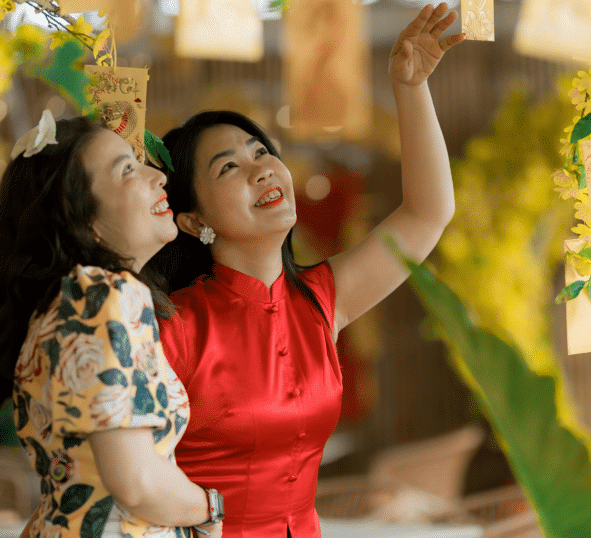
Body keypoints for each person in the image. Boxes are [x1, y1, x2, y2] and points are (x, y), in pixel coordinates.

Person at [146, 4, 464, 537]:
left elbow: (429, 213)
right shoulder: (172, 327)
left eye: (260, 151)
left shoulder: (318, 301)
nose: (262, 168)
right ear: (192, 218)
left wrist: (409, 87)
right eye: (229, 166)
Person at [0, 111, 223, 538]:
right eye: (127, 168)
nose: (157, 177)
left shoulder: (67, 303)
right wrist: (209, 506)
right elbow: (136, 481)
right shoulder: (102, 295)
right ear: (83, 221)